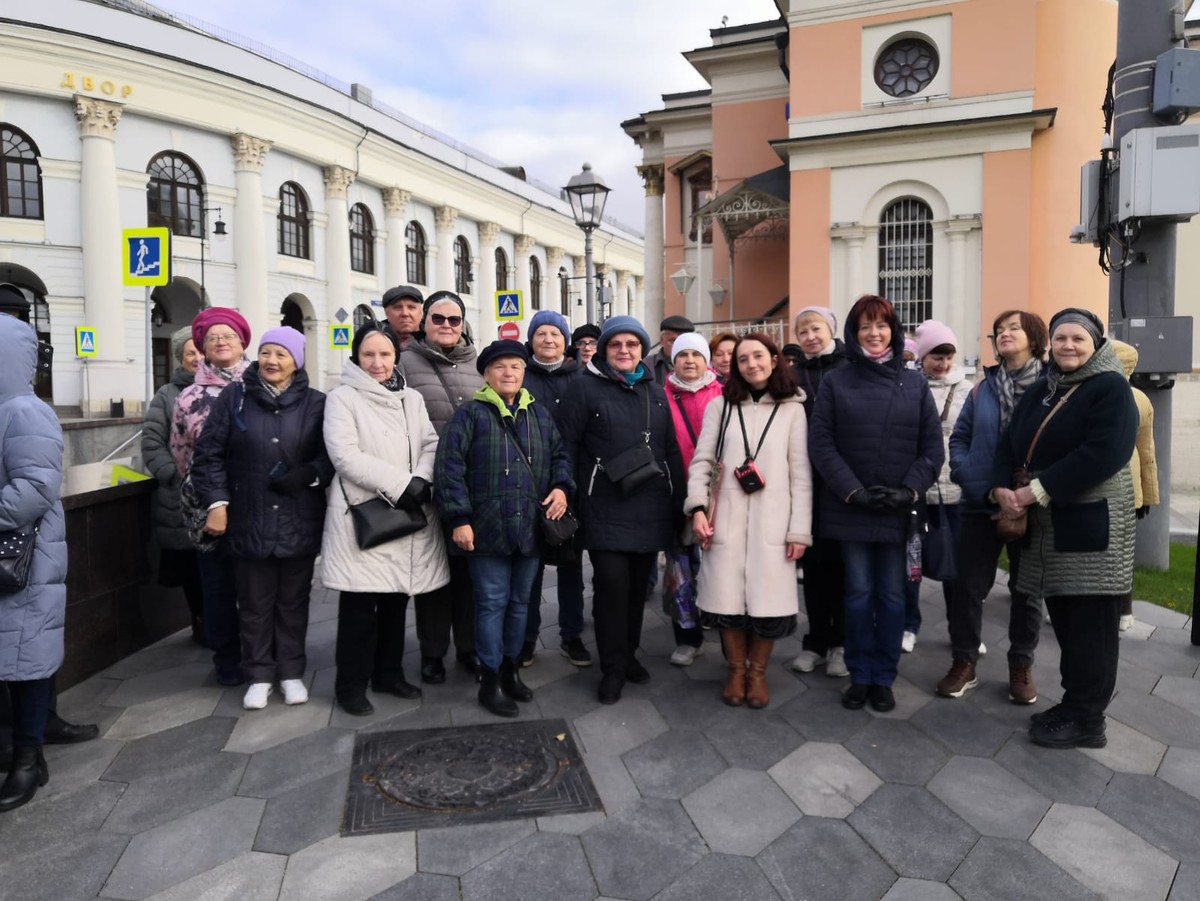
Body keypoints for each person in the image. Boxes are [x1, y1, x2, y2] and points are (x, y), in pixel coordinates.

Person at [992, 308, 1137, 749]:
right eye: (1060, 339)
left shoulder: (1109, 389)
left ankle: (1088, 720)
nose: (1068, 346)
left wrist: (1037, 490)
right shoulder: (1045, 390)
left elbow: (1104, 454)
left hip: (1092, 526)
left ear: (1096, 344)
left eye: (1078, 339)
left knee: (1091, 626)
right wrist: (1001, 485)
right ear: (1049, 344)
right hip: (1052, 528)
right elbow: (1010, 440)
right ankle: (1075, 704)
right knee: (1068, 621)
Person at [808, 295, 943, 713]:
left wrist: (909, 490)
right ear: (853, 332)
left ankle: (883, 677)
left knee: (890, 595)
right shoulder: (837, 381)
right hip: (852, 507)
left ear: (894, 329)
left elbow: (931, 448)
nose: (874, 333)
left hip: (897, 510)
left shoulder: (914, 382)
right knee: (857, 593)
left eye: (881, 325)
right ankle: (859, 673)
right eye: (865, 326)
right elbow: (822, 443)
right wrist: (854, 491)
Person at [190, 327, 332, 710]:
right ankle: (259, 674)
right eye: (267, 352)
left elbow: (329, 457)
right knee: (253, 602)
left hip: (297, 517)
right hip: (247, 517)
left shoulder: (316, 403)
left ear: (296, 362)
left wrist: (308, 474)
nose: (272, 361)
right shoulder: (234, 399)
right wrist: (217, 503)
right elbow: (208, 456)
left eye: (282, 355)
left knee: (293, 602)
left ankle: (290, 672)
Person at [435, 340, 574, 717]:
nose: (509, 373)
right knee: (491, 604)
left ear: (524, 372)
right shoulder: (470, 416)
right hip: (485, 530)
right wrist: (459, 519)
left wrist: (561, 487)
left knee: (519, 604)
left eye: (515, 366)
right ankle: (490, 678)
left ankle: (512, 670)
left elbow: (561, 455)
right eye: (500, 367)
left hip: (528, 528)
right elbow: (449, 470)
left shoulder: (539, 415)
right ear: (485, 374)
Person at [321, 323, 448, 716]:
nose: (377, 363)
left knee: (395, 601)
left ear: (396, 357)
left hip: (407, 513)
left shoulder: (410, 398)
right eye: (369, 355)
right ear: (357, 357)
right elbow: (345, 456)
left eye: (385, 354)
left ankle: (388, 673)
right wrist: (400, 484)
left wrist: (422, 479)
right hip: (366, 513)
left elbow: (430, 442)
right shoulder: (342, 398)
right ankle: (350, 685)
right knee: (359, 610)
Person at [557, 315, 684, 704]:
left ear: (641, 349)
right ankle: (611, 667)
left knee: (635, 593)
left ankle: (628, 655)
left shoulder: (656, 391)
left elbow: (671, 450)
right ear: (604, 349)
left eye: (632, 345)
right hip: (603, 504)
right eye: (616, 345)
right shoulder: (583, 388)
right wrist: (567, 491)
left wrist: (680, 500)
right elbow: (565, 445)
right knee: (611, 586)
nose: (624, 351)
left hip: (650, 504)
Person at [689, 334, 812, 708]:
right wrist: (696, 508)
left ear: (774, 359)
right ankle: (735, 671)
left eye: (758, 356)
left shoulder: (793, 409)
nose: (751, 364)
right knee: (727, 603)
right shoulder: (719, 407)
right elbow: (702, 462)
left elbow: (801, 474)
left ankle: (757, 673)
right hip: (725, 518)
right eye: (743, 359)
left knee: (768, 604)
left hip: (773, 522)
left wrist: (799, 531)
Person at [941, 310, 1050, 703]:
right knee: (968, 587)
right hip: (980, 503)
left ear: (1035, 337)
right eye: (999, 331)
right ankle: (964, 662)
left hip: (1036, 505)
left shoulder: (1053, 386)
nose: (1003, 334)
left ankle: (1021, 665)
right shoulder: (982, 388)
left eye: (1013, 329)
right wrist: (984, 487)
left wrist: (1030, 492)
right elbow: (960, 440)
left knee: (1027, 591)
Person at [0, 314, 67, 811]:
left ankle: (29, 759)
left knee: (25, 657)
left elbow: (35, 489)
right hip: (12, 555)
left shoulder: (25, 411)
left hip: (25, 559)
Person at [400, 291, 481, 682]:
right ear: (423, 323)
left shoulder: (479, 363)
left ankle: (469, 648)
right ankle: (433, 653)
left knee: (468, 574)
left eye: (454, 319)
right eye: (438, 319)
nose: (446, 326)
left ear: (463, 324)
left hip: (474, 487)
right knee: (432, 576)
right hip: (429, 486)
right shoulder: (404, 364)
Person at [170, 306, 253, 686]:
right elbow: (182, 453)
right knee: (218, 590)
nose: (221, 342)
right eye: (212, 338)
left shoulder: (260, 387)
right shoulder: (190, 396)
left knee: (257, 589)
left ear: (242, 343)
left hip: (256, 507)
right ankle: (227, 660)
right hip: (210, 509)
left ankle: (260, 657)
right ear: (201, 347)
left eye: (228, 336)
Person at [518, 310, 590, 668]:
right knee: (529, 570)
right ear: (531, 339)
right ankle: (527, 638)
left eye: (555, 334)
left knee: (571, 567)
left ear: (566, 341)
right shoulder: (520, 375)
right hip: (528, 486)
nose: (548, 340)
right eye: (541, 333)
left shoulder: (582, 377)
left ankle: (571, 635)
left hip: (571, 485)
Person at [787, 306, 850, 679]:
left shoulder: (848, 368)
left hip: (841, 482)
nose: (810, 336)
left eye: (816, 328)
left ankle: (841, 643)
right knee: (812, 567)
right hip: (804, 481)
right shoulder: (793, 374)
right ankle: (815, 641)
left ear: (831, 329)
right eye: (803, 331)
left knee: (841, 567)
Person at [901, 320, 969, 654]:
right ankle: (908, 624)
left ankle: (962, 631)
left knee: (955, 563)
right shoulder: (907, 386)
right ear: (922, 356)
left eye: (947, 357)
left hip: (954, 491)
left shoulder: (968, 389)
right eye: (935, 357)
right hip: (916, 489)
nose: (942, 364)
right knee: (911, 563)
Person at [143, 327, 205, 646]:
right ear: (180, 358)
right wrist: (173, 474)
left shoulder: (225, 387)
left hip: (217, 495)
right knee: (191, 568)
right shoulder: (166, 394)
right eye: (189, 353)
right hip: (180, 499)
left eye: (200, 351)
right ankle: (200, 621)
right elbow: (152, 442)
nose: (197, 358)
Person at [663, 332, 722, 665]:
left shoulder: (724, 395)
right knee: (680, 568)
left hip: (718, 495)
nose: (689, 361)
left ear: (706, 360)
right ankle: (687, 636)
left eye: (696, 355)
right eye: (682, 355)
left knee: (716, 562)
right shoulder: (661, 397)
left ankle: (718, 616)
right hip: (675, 492)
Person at [1111, 339, 1159, 632]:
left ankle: (1122, 610)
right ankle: (1124, 613)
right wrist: (1148, 496)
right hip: (1131, 490)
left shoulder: (1094, 394)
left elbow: (1145, 449)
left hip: (1118, 488)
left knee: (1107, 552)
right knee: (1122, 553)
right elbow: (1147, 452)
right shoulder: (1141, 398)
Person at [643, 315, 695, 385]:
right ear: (661, 340)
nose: (678, 346)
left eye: (682, 342)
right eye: (673, 341)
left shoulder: (697, 365)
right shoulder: (646, 365)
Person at [380, 284, 425, 352]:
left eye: (411, 307)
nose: (405, 313)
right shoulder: (372, 342)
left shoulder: (435, 341)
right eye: (397, 307)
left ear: (421, 312)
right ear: (386, 313)